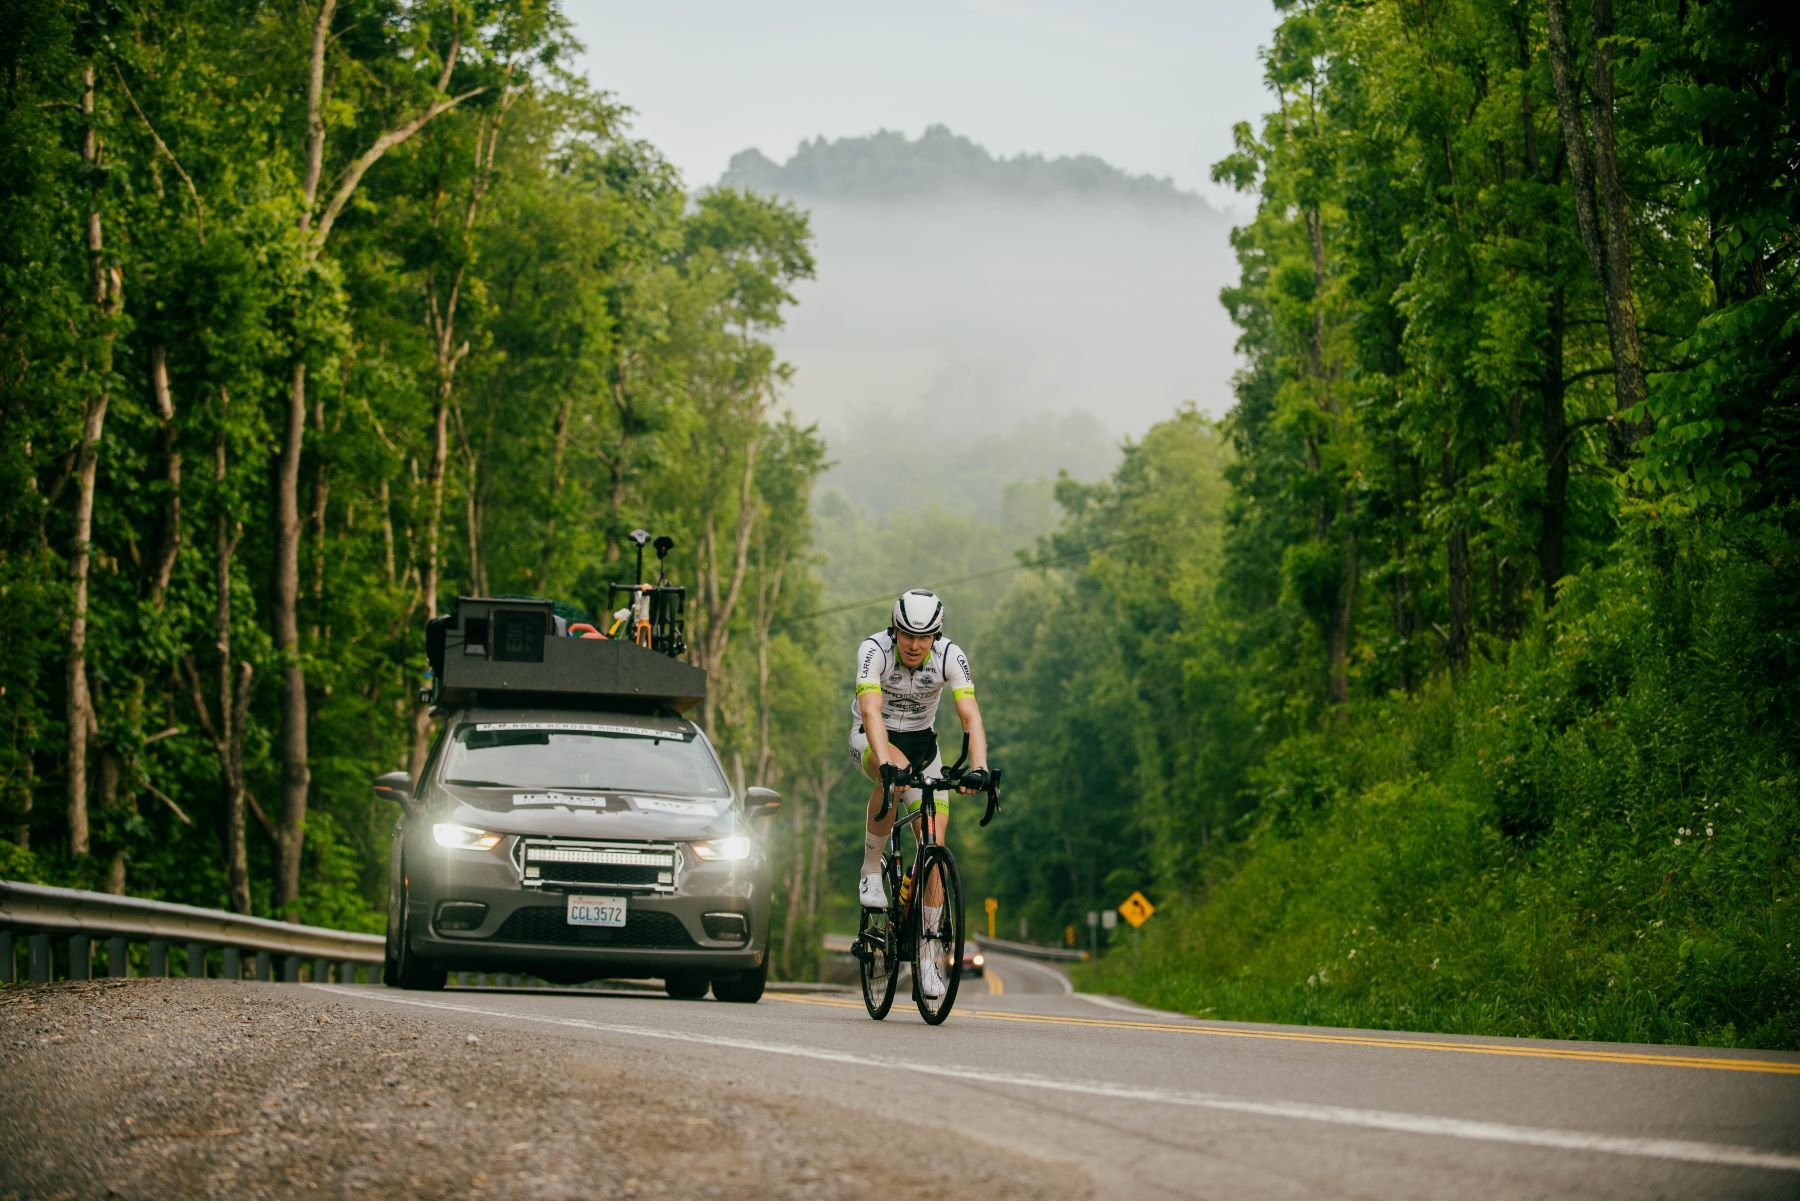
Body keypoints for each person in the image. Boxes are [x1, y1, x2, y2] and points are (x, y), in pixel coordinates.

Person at [850, 588, 989, 998]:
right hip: (871, 738)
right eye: (907, 634)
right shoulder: (874, 650)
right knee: (891, 774)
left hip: (925, 747)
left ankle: (928, 957)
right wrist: (887, 762)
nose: (914, 644)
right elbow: (871, 710)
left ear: (936, 635)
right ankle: (871, 869)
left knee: (934, 843)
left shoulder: (950, 656)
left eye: (924, 636)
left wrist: (978, 768)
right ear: (895, 629)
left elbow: (970, 713)